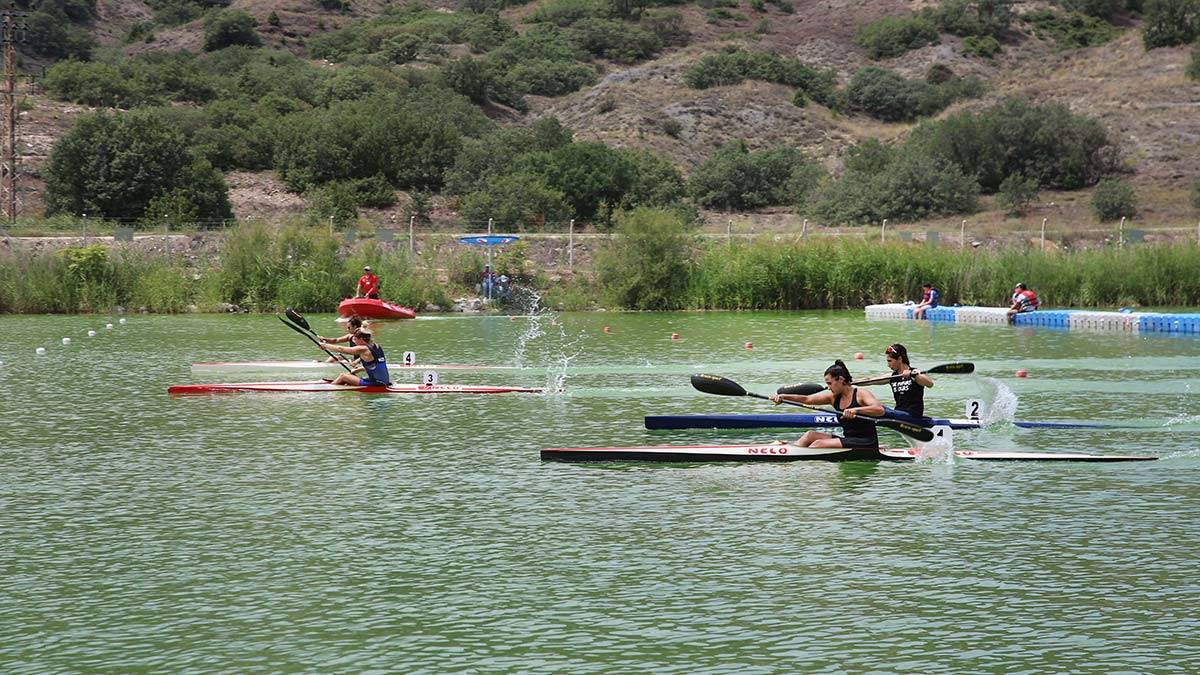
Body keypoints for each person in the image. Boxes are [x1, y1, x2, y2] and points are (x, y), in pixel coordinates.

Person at [769, 360, 885, 449]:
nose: (828, 387)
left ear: (840, 379)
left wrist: (856, 410)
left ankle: (797, 457)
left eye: (830, 383)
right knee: (810, 435)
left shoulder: (861, 394)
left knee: (819, 443)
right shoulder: (833, 397)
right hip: (849, 439)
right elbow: (807, 399)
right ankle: (790, 451)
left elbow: (879, 410)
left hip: (866, 441)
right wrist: (783, 397)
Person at [877, 343, 934, 426]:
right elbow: (869, 380)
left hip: (913, 416)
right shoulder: (893, 376)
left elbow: (930, 384)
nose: (888, 365)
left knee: (880, 409)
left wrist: (913, 375)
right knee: (874, 407)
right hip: (898, 414)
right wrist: (851, 381)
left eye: (890, 361)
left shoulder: (915, 373)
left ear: (899, 359)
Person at [322, 329, 391, 387]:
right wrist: (357, 370)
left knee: (343, 376)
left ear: (361, 339)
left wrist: (325, 345)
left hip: (377, 383)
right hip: (384, 381)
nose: (354, 341)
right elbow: (375, 366)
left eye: (355, 339)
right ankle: (339, 382)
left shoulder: (363, 349)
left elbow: (341, 349)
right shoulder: (376, 346)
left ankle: (329, 390)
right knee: (348, 376)